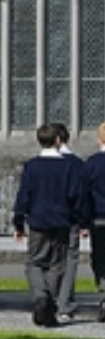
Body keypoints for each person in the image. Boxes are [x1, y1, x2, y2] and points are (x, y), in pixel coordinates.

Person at [12, 124, 85, 328]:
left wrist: (18, 221)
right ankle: (49, 301)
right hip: (62, 221)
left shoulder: (32, 166)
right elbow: (75, 196)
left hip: (38, 221)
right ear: (58, 141)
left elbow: (24, 195)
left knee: (34, 263)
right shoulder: (67, 167)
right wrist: (80, 220)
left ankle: (41, 295)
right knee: (57, 265)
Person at [52, 123, 84, 322]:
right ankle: (65, 301)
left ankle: (55, 298)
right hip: (70, 217)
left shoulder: (42, 163)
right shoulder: (77, 164)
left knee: (53, 259)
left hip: (50, 219)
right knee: (70, 259)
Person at [84, 122, 105, 323]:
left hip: (99, 217)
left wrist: (83, 220)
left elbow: (85, 194)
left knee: (100, 258)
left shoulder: (92, 163)